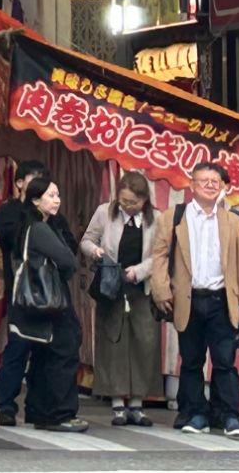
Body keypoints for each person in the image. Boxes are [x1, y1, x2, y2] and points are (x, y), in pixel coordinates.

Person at [150, 161, 239, 438]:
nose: (210, 185)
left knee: (224, 361)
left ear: (223, 186)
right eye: (204, 180)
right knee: (192, 360)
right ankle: (195, 413)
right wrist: (160, 289)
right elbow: (159, 255)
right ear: (191, 185)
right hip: (189, 299)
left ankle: (229, 415)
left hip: (222, 300)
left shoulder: (233, 220)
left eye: (215, 181)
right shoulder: (174, 217)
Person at [4, 168, 87, 434]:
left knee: (42, 356)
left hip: (34, 306)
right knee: (63, 352)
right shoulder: (39, 228)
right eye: (51, 195)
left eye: (58, 195)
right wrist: (65, 272)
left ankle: (38, 411)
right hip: (51, 302)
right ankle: (59, 414)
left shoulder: (31, 226)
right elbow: (68, 261)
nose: (57, 200)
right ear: (35, 201)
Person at [81, 169, 161, 427]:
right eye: (124, 201)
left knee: (143, 342)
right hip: (111, 287)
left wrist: (139, 271)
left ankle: (137, 403)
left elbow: (161, 255)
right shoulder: (105, 212)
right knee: (112, 342)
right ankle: (116, 403)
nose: (128, 207)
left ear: (144, 201)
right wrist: (95, 251)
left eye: (133, 203)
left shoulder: (156, 219)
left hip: (140, 288)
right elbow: (86, 240)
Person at [0, 159, 47, 425]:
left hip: (48, 294)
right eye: (32, 180)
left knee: (44, 351)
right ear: (19, 183)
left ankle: (37, 405)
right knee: (18, 347)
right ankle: (7, 405)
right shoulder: (8, 212)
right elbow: (12, 241)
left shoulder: (52, 213)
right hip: (20, 291)